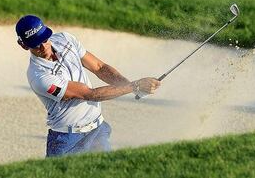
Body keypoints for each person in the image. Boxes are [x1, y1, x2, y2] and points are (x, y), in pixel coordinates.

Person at [15, 15, 161, 157]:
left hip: (97, 129)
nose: (43, 46)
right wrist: (135, 86)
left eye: (45, 39)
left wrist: (130, 85)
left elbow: (99, 67)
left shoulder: (65, 40)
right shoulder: (39, 76)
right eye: (36, 44)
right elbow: (90, 94)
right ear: (24, 45)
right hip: (67, 140)